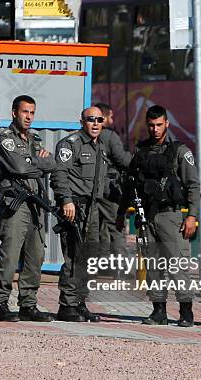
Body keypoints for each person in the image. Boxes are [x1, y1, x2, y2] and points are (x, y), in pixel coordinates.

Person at [50, 106, 130, 322]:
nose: (95, 124)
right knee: (74, 256)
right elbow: (59, 174)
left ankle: (80, 302)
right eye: (90, 120)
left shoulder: (101, 147)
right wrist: (66, 200)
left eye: (99, 120)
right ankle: (67, 305)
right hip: (75, 207)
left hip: (93, 209)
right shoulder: (71, 144)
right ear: (81, 121)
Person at [124, 104, 200, 327]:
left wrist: (192, 216)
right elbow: (131, 183)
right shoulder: (141, 151)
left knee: (177, 266)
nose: (155, 129)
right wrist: (123, 213)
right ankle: (159, 311)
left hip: (170, 216)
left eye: (159, 125)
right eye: (151, 125)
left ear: (167, 123)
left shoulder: (179, 151)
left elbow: (193, 185)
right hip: (147, 217)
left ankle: (186, 311)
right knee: (153, 266)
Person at [0, 95, 56, 322]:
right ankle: (0, 303)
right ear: (14, 112)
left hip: (36, 203)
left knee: (35, 256)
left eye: (32, 113)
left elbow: (52, 163)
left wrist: (31, 162)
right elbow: (17, 166)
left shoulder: (34, 139)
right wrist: (36, 162)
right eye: (25, 112)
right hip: (16, 205)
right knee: (9, 255)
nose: (28, 117)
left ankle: (28, 304)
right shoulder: (5, 139)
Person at [95, 102, 132, 277]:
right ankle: (121, 268)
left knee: (99, 229)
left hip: (92, 188)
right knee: (115, 227)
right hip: (109, 189)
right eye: (110, 116)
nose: (112, 120)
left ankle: (101, 265)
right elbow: (123, 160)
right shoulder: (110, 136)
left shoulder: (86, 136)